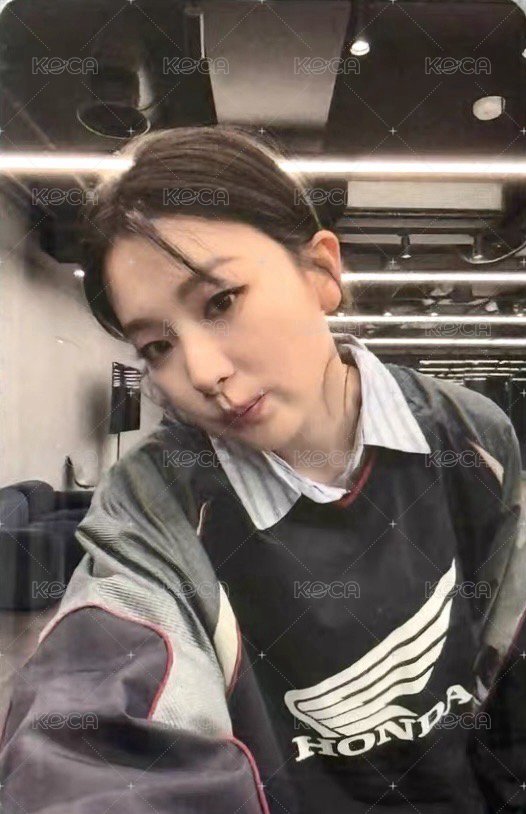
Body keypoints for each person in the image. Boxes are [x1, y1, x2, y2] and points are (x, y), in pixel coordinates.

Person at [1, 125, 525, 814]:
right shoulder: (156, 501)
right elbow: (91, 730)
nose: (201, 373)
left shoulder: (469, 434)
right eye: (157, 346)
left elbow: (506, 658)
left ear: (322, 272)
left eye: (220, 302)